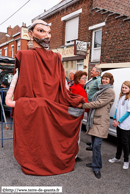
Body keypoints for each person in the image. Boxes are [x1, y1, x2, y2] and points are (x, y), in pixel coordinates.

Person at [5, 20, 86, 176]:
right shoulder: (24, 56)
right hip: (34, 110)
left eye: (49, 32)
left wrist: (74, 100)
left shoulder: (56, 58)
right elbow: (14, 85)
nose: (47, 36)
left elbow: (64, 88)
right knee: (35, 138)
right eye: (41, 31)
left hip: (51, 109)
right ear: (30, 34)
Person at [78, 72, 115, 179]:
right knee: (94, 144)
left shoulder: (109, 91)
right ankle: (97, 163)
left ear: (110, 81)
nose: (104, 80)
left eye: (106, 79)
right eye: (103, 79)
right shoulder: (102, 90)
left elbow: (98, 103)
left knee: (96, 146)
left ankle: (97, 168)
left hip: (101, 122)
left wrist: (83, 105)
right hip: (96, 120)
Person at [108, 81, 130, 170]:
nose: (124, 89)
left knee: (125, 143)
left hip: (125, 125)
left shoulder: (129, 98)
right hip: (119, 123)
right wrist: (114, 119)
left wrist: (119, 121)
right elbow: (117, 109)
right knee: (119, 141)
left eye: (126, 88)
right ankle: (117, 157)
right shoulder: (121, 97)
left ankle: (126, 161)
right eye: (123, 87)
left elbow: (128, 113)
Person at [71, 71, 89, 162]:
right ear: (78, 79)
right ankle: (74, 156)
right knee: (77, 137)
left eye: (86, 78)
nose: (85, 80)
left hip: (72, 114)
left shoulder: (73, 87)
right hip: (78, 115)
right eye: (84, 78)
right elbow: (85, 104)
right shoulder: (80, 89)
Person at [85, 66, 102, 151]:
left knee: (92, 125)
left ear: (97, 72)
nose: (91, 71)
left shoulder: (98, 80)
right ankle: (92, 141)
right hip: (89, 105)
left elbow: (101, 91)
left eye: (93, 70)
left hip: (92, 106)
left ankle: (93, 144)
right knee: (90, 124)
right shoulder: (93, 79)